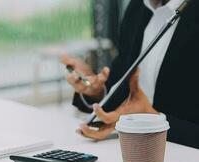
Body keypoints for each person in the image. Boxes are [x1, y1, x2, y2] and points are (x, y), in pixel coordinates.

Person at [63, 0, 199, 149]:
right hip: (135, 148)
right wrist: (97, 91)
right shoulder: (138, 7)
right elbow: (124, 89)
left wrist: (156, 119)